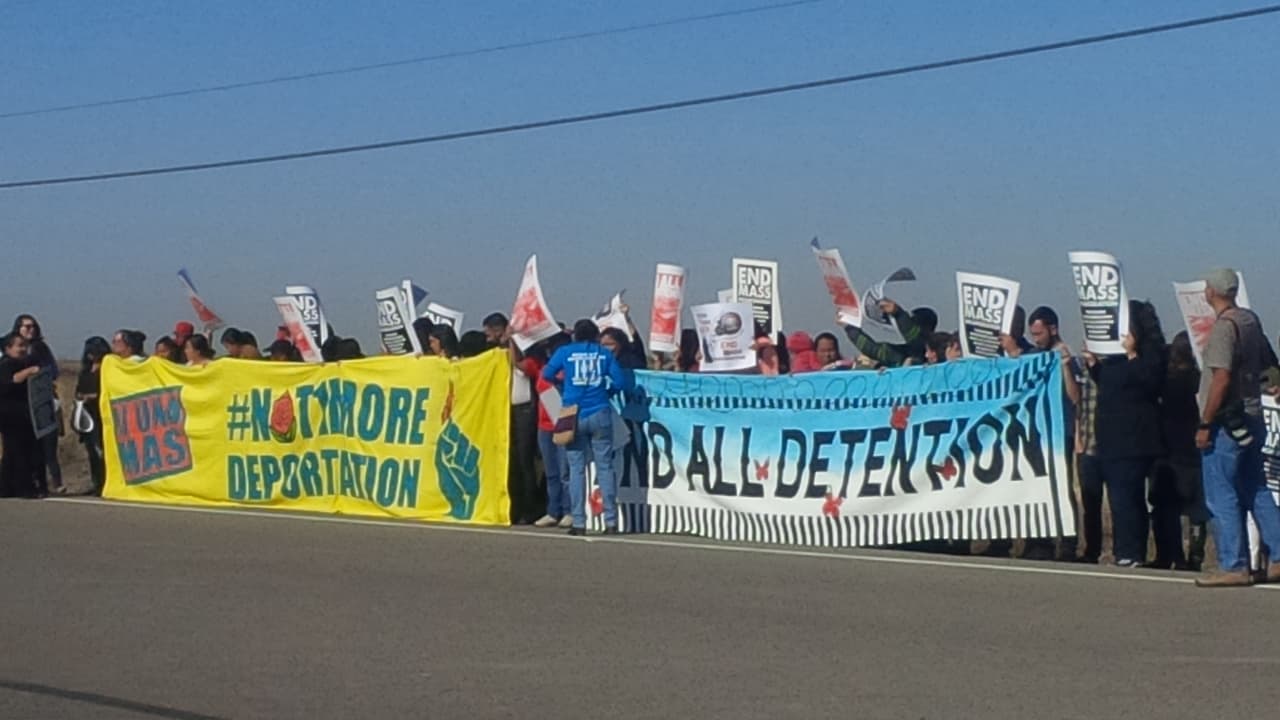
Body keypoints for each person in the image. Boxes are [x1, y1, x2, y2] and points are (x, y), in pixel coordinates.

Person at [1193, 268, 1280, 587]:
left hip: (1227, 423)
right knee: (1255, 486)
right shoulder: (1250, 321)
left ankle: (1234, 563)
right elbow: (1271, 360)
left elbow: (1221, 378)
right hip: (1253, 417)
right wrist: (1274, 383)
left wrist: (1205, 422)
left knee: (1221, 492)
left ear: (1212, 291)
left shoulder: (1223, 329)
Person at [1084, 300, 1167, 568]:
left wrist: (1132, 354)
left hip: (1134, 438)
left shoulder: (1151, 355)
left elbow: (1148, 382)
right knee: (1122, 498)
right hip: (1110, 437)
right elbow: (1109, 384)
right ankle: (1129, 550)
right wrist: (1094, 364)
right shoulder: (1114, 359)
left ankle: (1130, 551)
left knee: (1127, 498)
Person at [542, 319, 631, 536]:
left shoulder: (565, 352)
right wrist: (606, 393)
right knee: (605, 467)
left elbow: (546, 374)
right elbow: (620, 382)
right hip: (600, 411)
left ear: (575, 336)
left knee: (576, 469)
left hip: (572, 413)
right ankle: (611, 521)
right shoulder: (604, 354)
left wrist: (563, 386)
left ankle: (579, 522)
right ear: (595, 336)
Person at [1149, 331, 1208, 570]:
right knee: (1197, 511)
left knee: (1165, 508)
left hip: (1167, 450)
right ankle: (1195, 556)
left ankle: (1168, 554)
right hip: (1194, 451)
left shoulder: (1163, 381)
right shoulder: (1200, 380)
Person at [13, 314, 63, 494]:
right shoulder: (10, 348)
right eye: (26, 326)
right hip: (17, 401)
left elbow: (53, 370)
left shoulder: (41, 348)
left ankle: (53, 483)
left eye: (33, 326)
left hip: (41, 399)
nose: (30, 329)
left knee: (46, 445)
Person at [532, 333, 573, 528]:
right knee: (551, 472)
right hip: (545, 426)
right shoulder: (544, 369)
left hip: (564, 423)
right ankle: (552, 510)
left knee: (565, 471)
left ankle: (569, 510)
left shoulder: (570, 371)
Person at [0, 332, 45, 498]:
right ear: (8, 348)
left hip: (24, 414)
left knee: (14, 452)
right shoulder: (6, 364)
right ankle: (24, 488)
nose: (23, 349)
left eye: (25, 346)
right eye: (19, 346)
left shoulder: (24, 362)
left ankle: (6, 488)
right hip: (10, 414)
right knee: (19, 452)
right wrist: (29, 371)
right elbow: (11, 381)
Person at [507, 329, 542, 526]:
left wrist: (513, 341)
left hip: (526, 412)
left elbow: (519, 366)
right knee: (514, 462)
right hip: (510, 412)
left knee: (524, 461)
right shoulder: (502, 357)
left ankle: (529, 508)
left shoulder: (531, 361)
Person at [838, 301, 936, 368]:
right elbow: (873, 349)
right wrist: (850, 327)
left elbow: (916, 339)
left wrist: (898, 314)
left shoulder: (940, 349)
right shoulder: (901, 353)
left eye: (912, 323)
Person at [75, 337, 111, 495]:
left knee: (102, 451)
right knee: (92, 451)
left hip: (101, 414)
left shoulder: (108, 370)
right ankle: (96, 482)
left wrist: (93, 396)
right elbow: (78, 388)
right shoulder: (85, 371)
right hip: (86, 415)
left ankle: (105, 482)